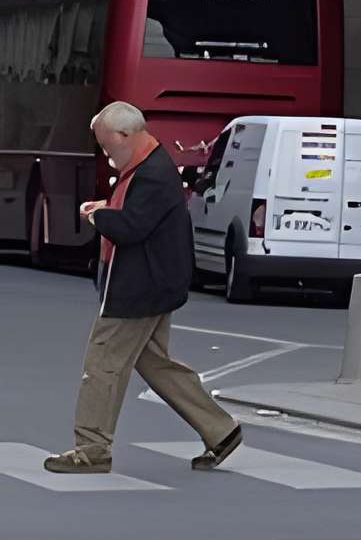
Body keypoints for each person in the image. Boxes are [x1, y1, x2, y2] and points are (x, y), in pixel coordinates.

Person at [45, 101, 242, 476]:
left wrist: (96, 215)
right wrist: (107, 208)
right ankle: (221, 429)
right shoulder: (148, 166)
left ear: (125, 135)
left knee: (102, 365)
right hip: (153, 285)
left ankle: (92, 449)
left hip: (136, 290)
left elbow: (131, 228)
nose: (105, 153)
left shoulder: (151, 175)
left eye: (107, 145)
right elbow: (138, 216)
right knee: (156, 364)